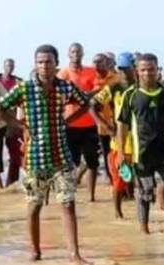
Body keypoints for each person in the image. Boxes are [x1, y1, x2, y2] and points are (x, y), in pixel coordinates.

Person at [0, 44, 91, 264]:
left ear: (56, 64)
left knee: (68, 204)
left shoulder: (65, 87)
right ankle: (35, 251)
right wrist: (19, 125)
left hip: (61, 156)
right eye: (40, 62)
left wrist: (69, 121)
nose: (44, 66)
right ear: (35, 65)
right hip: (36, 157)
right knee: (34, 205)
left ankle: (74, 254)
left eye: (48, 62)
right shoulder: (24, 88)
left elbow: (86, 102)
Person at [116, 53, 164, 234]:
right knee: (145, 192)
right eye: (143, 70)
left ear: (157, 70)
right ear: (137, 72)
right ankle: (144, 229)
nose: (148, 73)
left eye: (151, 69)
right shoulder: (130, 95)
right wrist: (122, 153)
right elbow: (121, 126)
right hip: (141, 153)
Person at [93, 52, 137, 219]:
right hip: (120, 142)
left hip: (141, 140)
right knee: (120, 179)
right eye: (121, 68)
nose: (125, 72)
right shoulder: (113, 86)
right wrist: (105, 125)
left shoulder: (142, 85)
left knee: (139, 178)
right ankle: (118, 213)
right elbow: (93, 105)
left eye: (127, 68)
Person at [58, 43, 101, 202]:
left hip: (90, 124)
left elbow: (98, 89)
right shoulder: (63, 73)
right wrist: (78, 97)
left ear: (82, 54)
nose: (76, 54)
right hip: (70, 124)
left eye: (78, 52)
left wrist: (83, 95)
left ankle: (91, 196)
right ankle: (69, 195)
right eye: (73, 52)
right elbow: (58, 94)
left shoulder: (91, 71)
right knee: (70, 163)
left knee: (93, 162)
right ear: (69, 54)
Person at [92, 53, 122, 185]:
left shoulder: (116, 79)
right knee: (106, 156)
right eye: (95, 62)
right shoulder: (91, 78)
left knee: (120, 154)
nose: (97, 65)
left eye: (101, 62)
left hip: (117, 123)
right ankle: (113, 184)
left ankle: (124, 188)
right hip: (99, 125)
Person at [0, 59, 25, 186]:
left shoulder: (18, 82)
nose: (10, 68)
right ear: (3, 66)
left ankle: (11, 182)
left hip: (12, 119)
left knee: (15, 152)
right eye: (7, 65)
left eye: (12, 66)